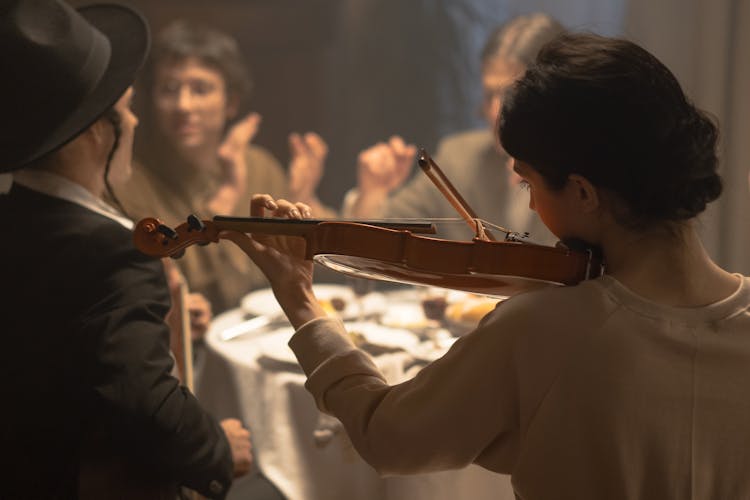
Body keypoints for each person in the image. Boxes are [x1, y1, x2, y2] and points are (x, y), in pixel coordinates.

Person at [222, 32, 750, 499]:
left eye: (529, 184)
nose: (527, 206)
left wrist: (301, 301)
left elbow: (390, 438)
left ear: (584, 192)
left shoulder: (544, 327)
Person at [0, 2, 252, 498]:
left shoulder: (13, 216)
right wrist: (219, 446)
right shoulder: (113, 250)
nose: (135, 122)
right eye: (128, 107)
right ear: (98, 131)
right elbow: (146, 404)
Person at [117, 19, 332, 314]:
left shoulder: (259, 166)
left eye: (200, 89)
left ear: (230, 102)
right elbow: (182, 291)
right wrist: (224, 200)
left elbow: (306, 269)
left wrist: (305, 201)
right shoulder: (130, 180)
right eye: (169, 89)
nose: (183, 105)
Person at [343, 14, 564, 244]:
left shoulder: (581, 177)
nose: (495, 111)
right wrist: (373, 192)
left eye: (512, 94)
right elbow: (378, 240)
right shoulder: (458, 157)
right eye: (490, 94)